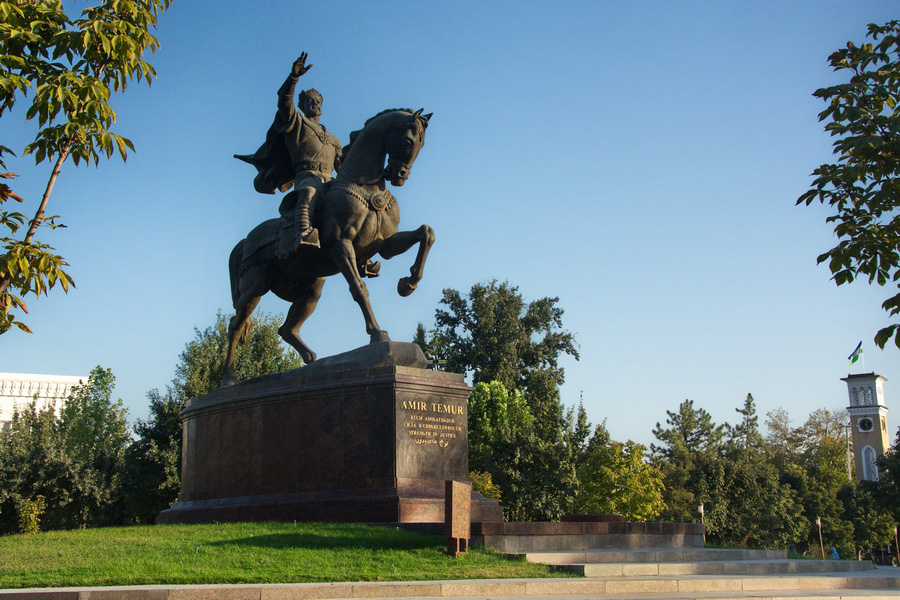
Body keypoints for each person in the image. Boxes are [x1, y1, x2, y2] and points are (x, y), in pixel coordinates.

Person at [235, 52, 342, 255]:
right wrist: (293, 79)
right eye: (310, 101)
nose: (315, 104)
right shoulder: (297, 123)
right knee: (309, 193)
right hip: (307, 177)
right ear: (301, 106)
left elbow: (342, 168)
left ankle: (362, 251)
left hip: (331, 183)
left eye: (318, 101)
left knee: (352, 203)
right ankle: (303, 232)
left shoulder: (334, 139)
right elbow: (284, 102)